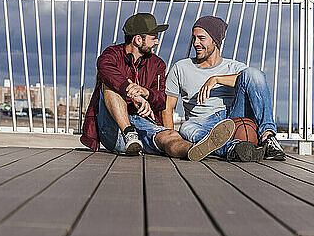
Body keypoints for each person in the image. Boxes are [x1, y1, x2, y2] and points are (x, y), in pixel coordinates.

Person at [80, 13, 235, 161]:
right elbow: (106, 69)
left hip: (144, 123)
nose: (157, 42)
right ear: (138, 40)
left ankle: (193, 150)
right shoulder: (111, 55)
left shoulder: (157, 64)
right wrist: (134, 95)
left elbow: (161, 100)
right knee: (109, 84)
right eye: (154, 38)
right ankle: (129, 133)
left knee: (171, 137)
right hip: (114, 129)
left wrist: (146, 93)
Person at [164, 15, 286, 161]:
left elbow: (252, 80)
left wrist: (216, 79)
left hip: (232, 118)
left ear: (215, 41)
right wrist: (170, 139)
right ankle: (232, 148)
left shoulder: (233, 66)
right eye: (194, 38)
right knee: (186, 128)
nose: (196, 43)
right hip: (201, 122)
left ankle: (268, 137)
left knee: (254, 73)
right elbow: (168, 108)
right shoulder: (180, 68)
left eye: (201, 38)